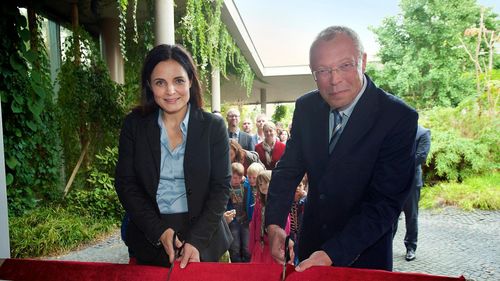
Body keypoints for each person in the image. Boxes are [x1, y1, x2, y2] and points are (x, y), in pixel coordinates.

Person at [265, 26, 418, 272]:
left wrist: (333, 253)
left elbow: (385, 203)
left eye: (345, 66)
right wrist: (273, 224)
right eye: (323, 71)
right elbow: (287, 170)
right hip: (310, 249)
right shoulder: (307, 108)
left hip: (363, 255)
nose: (334, 80)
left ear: (363, 61)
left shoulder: (397, 117)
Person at [115, 44, 232, 267]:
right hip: (150, 238)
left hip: (206, 239)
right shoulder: (134, 126)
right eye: (160, 82)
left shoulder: (213, 127)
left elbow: (221, 188)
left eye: (178, 80)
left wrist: (196, 241)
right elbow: (126, 184)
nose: (170, 91)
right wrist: (158, 231)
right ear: (150, 85)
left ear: (190, 81)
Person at [393, 125, 431, 261]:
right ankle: (386, 244)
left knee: (412, 215)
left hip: (412, 181)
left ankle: (411, 247)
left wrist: (398, 164)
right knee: (390, 214)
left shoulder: (423, 133)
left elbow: (421, 156)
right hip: (394, 181)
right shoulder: (399, 131)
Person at [249, 170, 290, 263]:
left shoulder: (281, 205)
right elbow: (253, 226)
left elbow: (286, 228)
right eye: (260, 184)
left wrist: (283, 248)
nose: (263, 186)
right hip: (260, 248)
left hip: (274, 248)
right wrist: (252, 247)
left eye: (266, 182)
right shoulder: (259, 205)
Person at [226, 162, 252, 262]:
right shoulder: (227, 187)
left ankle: (247, 264)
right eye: (234, 177)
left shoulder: (246, 185)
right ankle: (236, 264)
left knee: (246, 245)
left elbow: (252, 182)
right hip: (233, 221)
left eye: (239, 177)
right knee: (235, 245)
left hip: (245, 220)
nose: (236, 180)